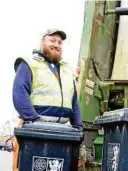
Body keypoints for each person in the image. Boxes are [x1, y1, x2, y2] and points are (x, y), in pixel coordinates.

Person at [12, 29, 83, 171]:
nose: (56, 44)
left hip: (62, 134)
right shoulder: (29, 63)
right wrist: (34, 121)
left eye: (59, 42)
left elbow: (74, 101)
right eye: (52, 40)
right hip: (34, 130)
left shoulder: (67, 69)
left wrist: (78, 127)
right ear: (42, 42)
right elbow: (19, 93)